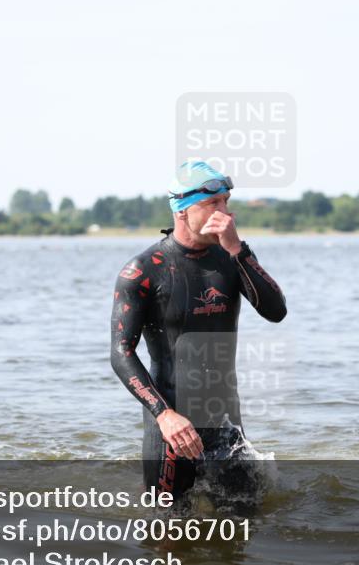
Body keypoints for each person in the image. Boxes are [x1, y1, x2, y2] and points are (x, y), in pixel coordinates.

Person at [110, 161, 287, 500]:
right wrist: (164, 415)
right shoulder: (143, 270)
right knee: (168, 529)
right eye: (212, 204)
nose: (225, 213)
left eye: (226, 202)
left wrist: (238, 250)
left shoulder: (231, 258)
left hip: (226, 425)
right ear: (182, 210)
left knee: (240, 530)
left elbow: (276, 312)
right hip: (173, 427)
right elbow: (121, 353)